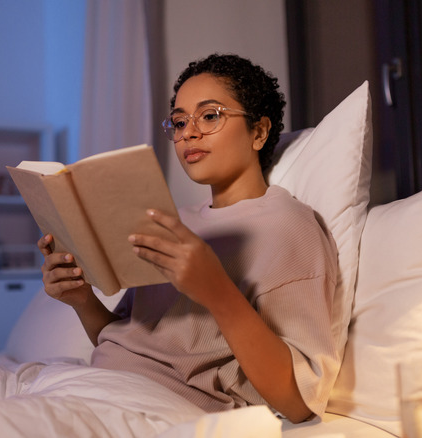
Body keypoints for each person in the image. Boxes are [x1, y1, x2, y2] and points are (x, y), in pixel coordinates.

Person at [38, 53, 338, 423]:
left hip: (153, 408)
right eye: (179, 122)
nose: (188, 133)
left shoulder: (288, 226)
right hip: (92, 384)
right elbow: (123, 339)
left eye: (210, 116)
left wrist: (215, 289)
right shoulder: (173, 222)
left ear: (258, 132)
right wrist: (82, 300)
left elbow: (299, 401)